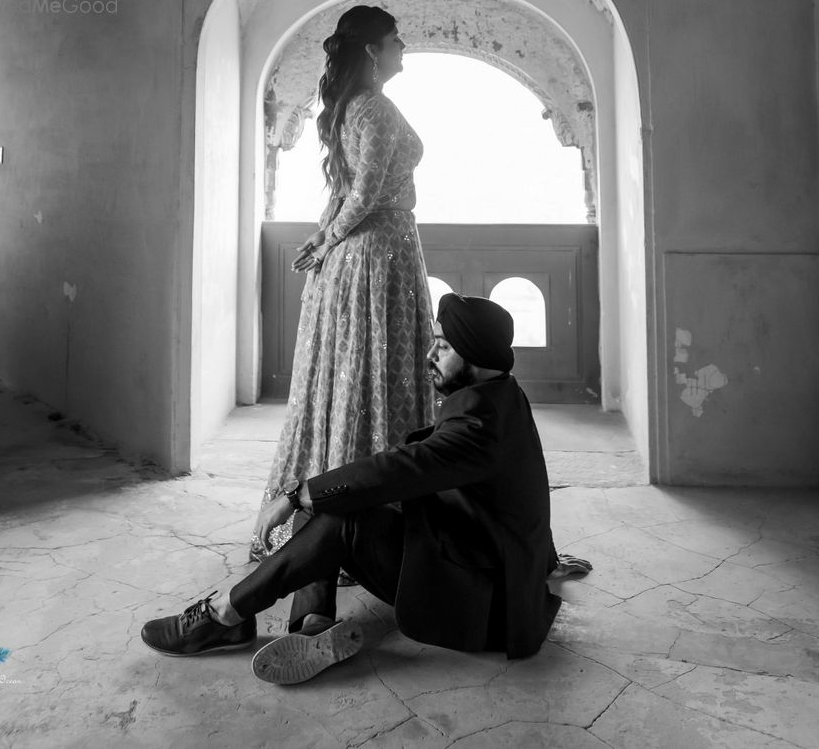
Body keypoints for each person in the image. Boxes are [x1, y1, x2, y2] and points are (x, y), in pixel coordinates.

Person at [141, 293, 571, 685]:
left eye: (443, 345)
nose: (430, 354)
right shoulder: (502, 394)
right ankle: (313, 624)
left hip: (483, 609)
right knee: (333, 497)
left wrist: (294, 495)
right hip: (471, 556)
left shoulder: (480, 424)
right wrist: (543, 559)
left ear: (476, 352)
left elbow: (402, 469)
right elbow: (522, 494)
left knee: (341, 514)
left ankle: (225, 615)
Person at [251, 5, 435, 635]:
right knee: (369, 386)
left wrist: (323, 238)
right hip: (377, 255)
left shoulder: (352, 107)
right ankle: (354, 529)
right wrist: (328, 240)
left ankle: (341, 531)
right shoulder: (375, 109)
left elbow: (346, 192)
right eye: (395, 39)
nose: (403, 45)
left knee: (350, 388)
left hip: (364, 252)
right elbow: (363, 194)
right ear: (372, 50)